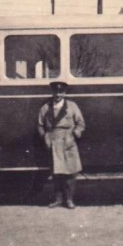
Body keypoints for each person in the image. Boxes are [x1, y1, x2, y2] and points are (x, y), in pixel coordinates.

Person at [37, 81, 86, 209]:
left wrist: (74, 135)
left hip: (68, 141)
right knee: (56, 173)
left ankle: (69, 200)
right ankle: (58, 200)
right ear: (52, 92)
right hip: (53, 141)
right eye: (55, 92)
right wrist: (45, 137)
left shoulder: (72, 106)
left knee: (70, 173)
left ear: (64, 93)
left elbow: (81, 124)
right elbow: (40, 125)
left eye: (60, 92)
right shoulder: (46, 107)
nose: (58, 94)